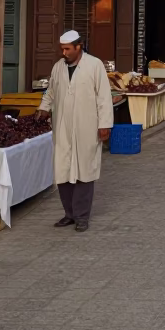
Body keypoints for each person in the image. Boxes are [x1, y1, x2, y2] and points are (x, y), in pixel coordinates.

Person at [35, 30, 113, 233]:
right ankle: (69, 213)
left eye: (68, 49)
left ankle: (82, 216)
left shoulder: (94, 65)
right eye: (62, 49)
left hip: (87, 127)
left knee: (84, 171)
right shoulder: (58, 67)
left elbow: (104, 97)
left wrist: (105, 124)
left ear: (80, 46)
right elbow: (51, 91)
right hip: (62, 127)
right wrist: (43, 108)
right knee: (63, 170)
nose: (64, 53)